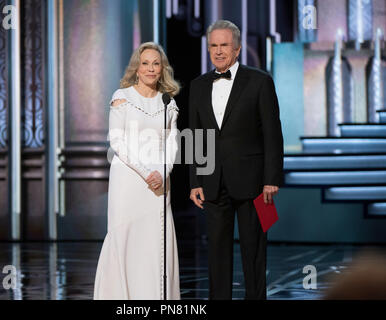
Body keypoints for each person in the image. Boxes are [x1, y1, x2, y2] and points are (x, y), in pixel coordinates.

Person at [188, 20, 284, 300]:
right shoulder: (198, 85)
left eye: (224, 45)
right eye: (213, 46)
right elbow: (196, 137)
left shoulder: (260, 81)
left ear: (238, 48)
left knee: (254, 251)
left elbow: (272, 133)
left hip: (254, 183)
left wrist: (271, 179)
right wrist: (195, 180)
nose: (218, 51)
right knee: (217, 253)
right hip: (213, 182)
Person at [94, 42, 181, 300]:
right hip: (129, 179)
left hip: (159, 182)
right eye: (145, 63)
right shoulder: (122, 96)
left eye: (156, 63)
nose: (151, 68)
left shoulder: (168, 101)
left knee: (155, 242)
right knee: (125, 236)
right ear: (137, 67)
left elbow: (172, 141)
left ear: (162, 68)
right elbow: (117, 141)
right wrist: (147, 173)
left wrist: (162, 172)